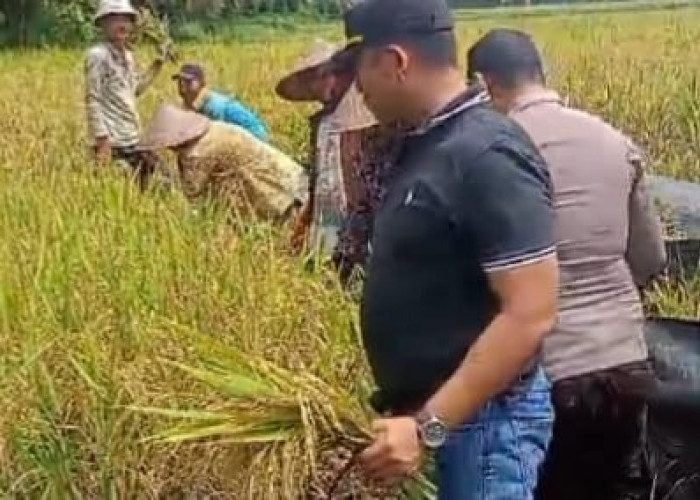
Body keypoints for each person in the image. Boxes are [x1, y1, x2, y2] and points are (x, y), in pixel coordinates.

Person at [346, 1, 560, 498]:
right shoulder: (429, 146)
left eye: (362, 74)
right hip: (457, 421)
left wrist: (426, 428)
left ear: (396, 62)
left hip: (486, 425)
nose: (361, 91)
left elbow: (531, 311)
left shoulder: (486, 153)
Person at [467, 28, 667, 500]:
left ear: (482, 83)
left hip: (544, 374)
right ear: (540, 70)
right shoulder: (613, 140)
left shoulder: (489, 153)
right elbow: (651, 257)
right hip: (624, 362)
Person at [276, 40, 401, 283]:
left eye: (322, 76)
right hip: (330, 230)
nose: (317, 86)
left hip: (366, 232)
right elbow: (318, 179)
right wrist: (304, 224)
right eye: (311, 80)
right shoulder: (322, 123)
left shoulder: (374, 120)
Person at [140, 103, 307, 221]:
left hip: (271, 190)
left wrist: (160, 174)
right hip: (287, 172)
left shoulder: (197, 152)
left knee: (291, 227)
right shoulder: (214, 127)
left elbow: (190, 193)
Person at [85, 0, 169, 185]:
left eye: (126, 19)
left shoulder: (128, 56)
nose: (122, 24)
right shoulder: (98, 56)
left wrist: (157, 65)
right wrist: (102, 139)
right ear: (104, 24)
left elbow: (134, 90)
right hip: (112, 141)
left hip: (132, 136)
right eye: (115, 19)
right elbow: (93, 98)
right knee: (117, 188)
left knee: (162, 181)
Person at [173, 63, 270, 142]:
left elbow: (216, 136)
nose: (182, 84)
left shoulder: (212, 105)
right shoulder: (194, 104)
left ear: (201, 83)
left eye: (188, 81)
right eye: (180, 80)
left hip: (254, 135)